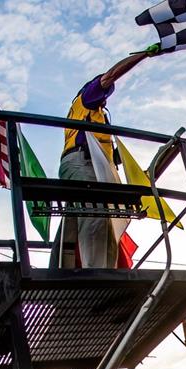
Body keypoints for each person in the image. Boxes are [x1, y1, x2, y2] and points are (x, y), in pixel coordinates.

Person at [55, 44, 160, 268]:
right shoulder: (85, 99)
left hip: (89, 166)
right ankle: (95, 273)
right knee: (96, 217)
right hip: (83, 162)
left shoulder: (97, 117)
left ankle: (67, 267)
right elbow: (110, 75)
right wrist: (143, 54)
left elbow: (113, 161)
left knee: (85, 219)